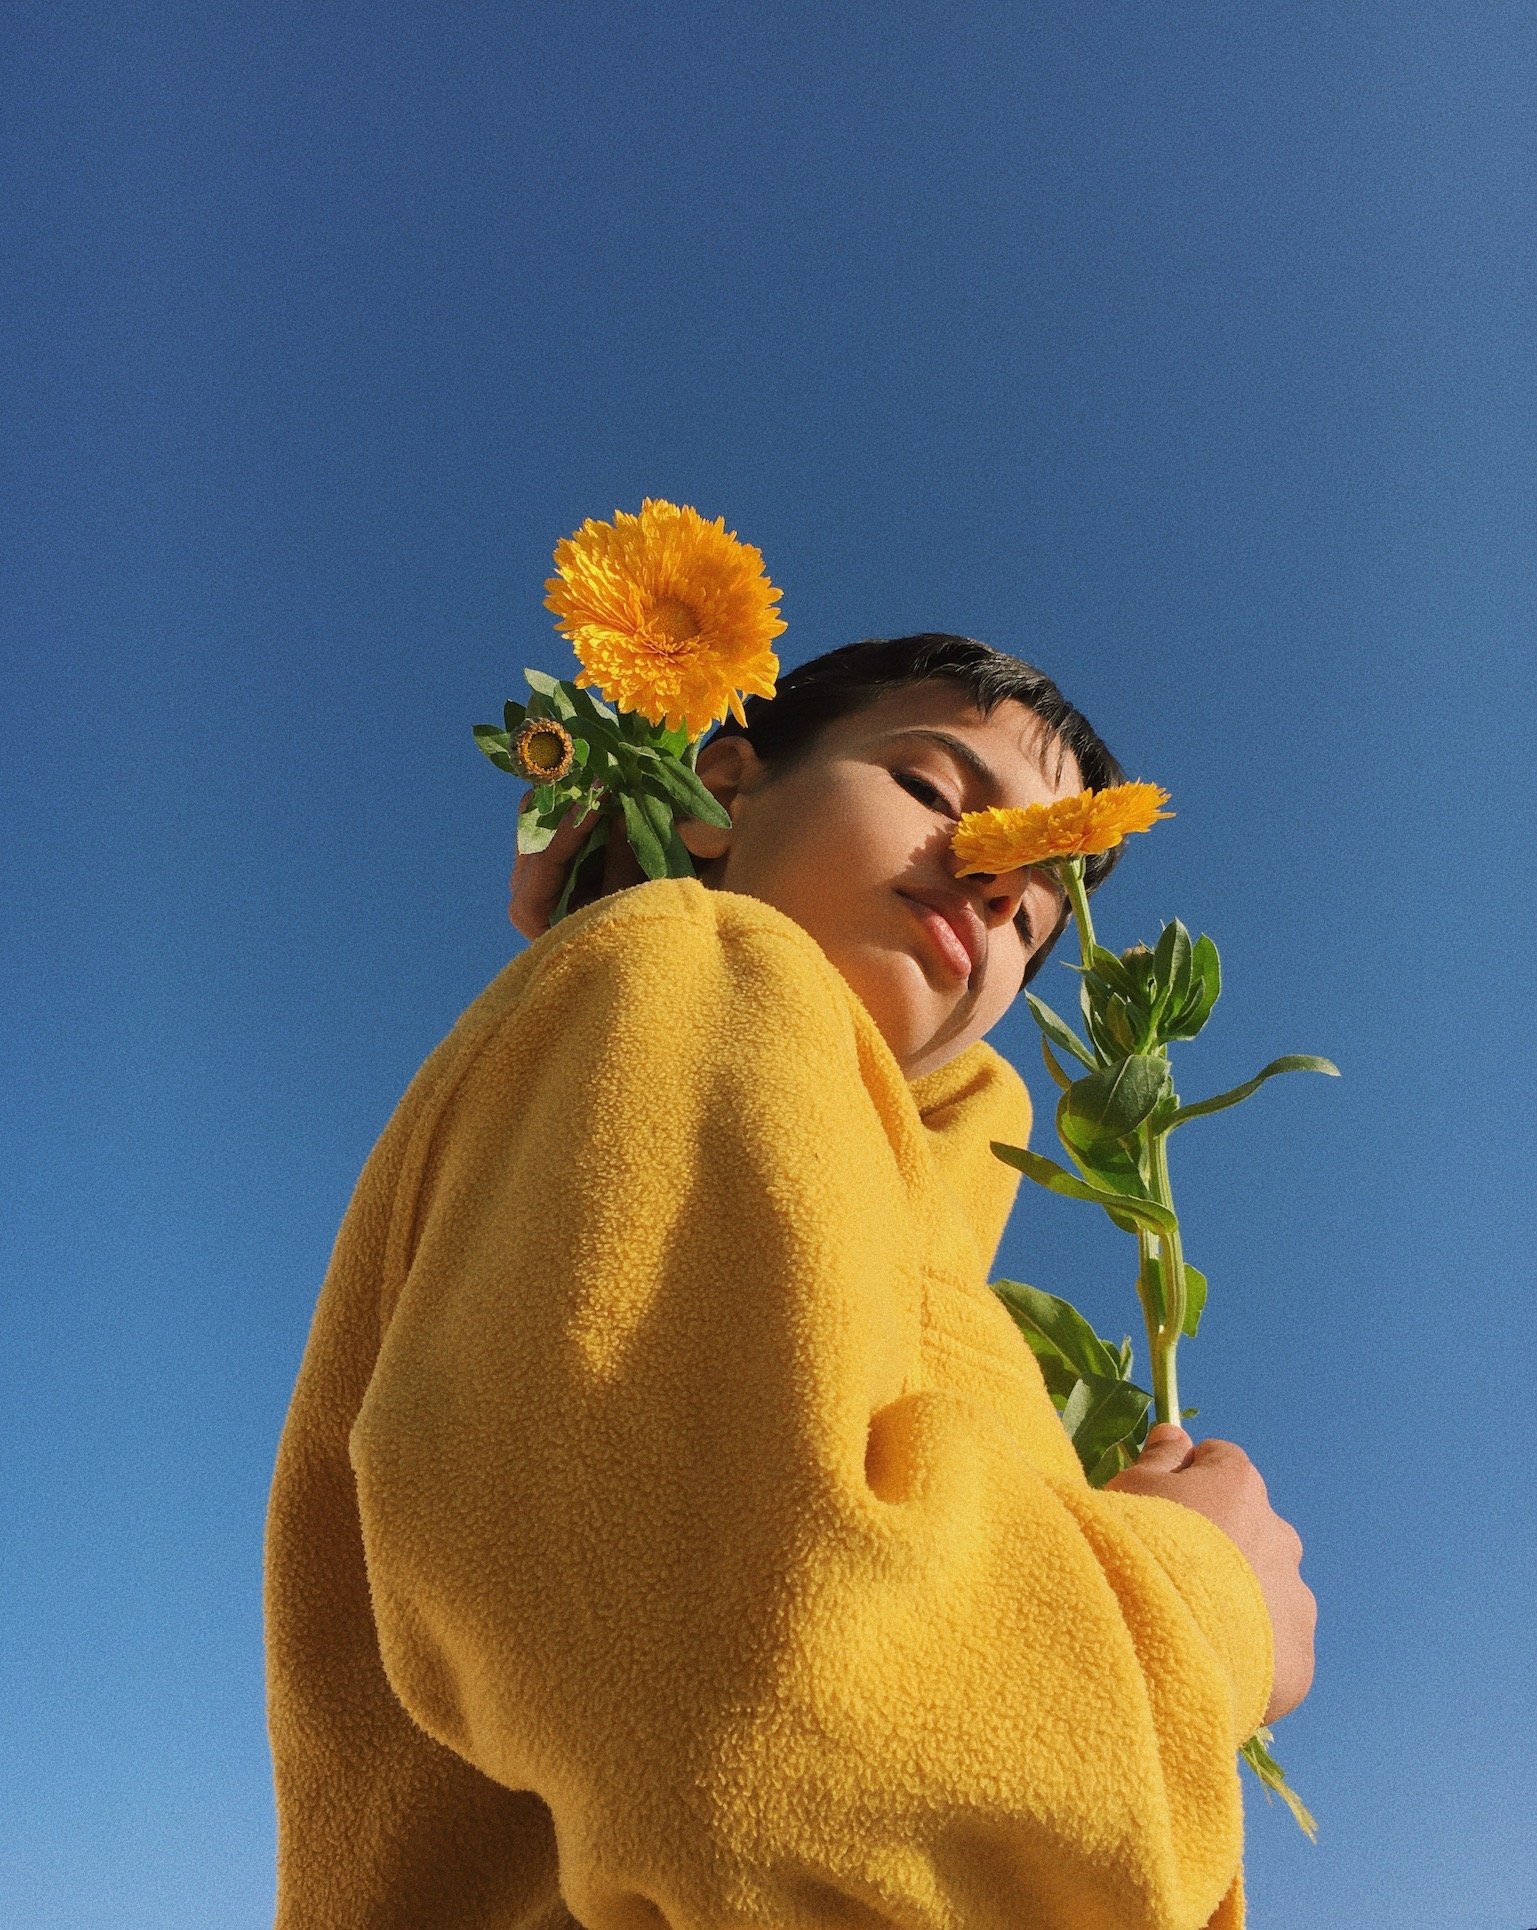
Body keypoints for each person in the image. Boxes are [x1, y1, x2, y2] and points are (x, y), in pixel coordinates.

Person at [265, 634, 1314, 1930]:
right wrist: (1204, 1596)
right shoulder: (683, 971)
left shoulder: (931, 1259)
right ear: (721, 789)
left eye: (1039, 909)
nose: (994, 880)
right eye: (936, 791)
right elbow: (754, 1695)